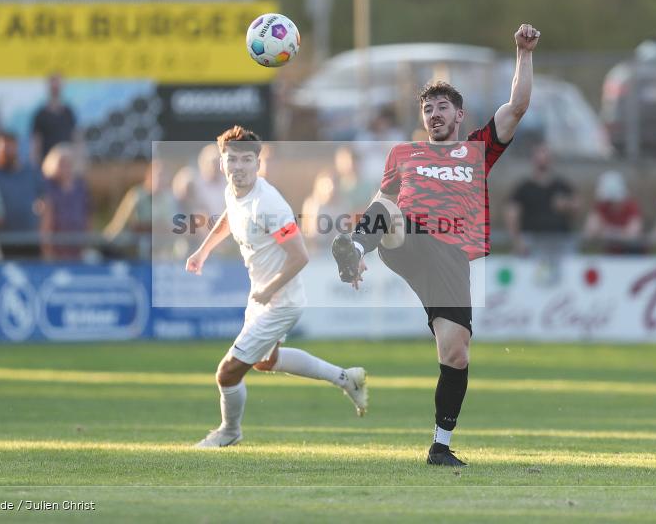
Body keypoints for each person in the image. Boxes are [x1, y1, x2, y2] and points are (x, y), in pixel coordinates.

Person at [331, 24, 540, 467]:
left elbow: (518, 106)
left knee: (456, 353)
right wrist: (359, 245)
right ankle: (352, 249)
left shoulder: (477, 151)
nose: (434, 115)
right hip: (407, 240)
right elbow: (382, 202)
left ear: (459, 115)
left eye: (442, 107)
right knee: (391, 213)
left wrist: (522, 53)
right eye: (428, 109)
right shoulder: (403, 154)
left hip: (451, 259)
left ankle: (440, 446)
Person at [185, 126, 368, 448]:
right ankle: (346, 378)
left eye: (246, 160)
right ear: (222, 163)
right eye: (232, 159)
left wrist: (270, 291)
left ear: (257, 164)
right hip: (265, 295)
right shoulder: (234, 191)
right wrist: (204, 250)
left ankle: (229, 432)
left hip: (281, 300)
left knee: (227, 373)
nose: (238, 166)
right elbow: (230, 215)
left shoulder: (268, 204)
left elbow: (300, 256)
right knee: (265, 361)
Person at [505, 142, 579, 257]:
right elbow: (511, 214)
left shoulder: (562, 186)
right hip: (532, 240)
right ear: (533, 160)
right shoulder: (524, 188)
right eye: (539, 157)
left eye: (546, 157)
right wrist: (517, 241)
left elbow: (577, 206)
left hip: (560, 241)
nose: (543, 160)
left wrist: (566, 205)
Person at [104, 160, 179, 258]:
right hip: (131, 250)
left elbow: (172, 227)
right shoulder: (136, 196)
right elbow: (120, 226)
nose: (161, 180)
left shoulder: (168, 198)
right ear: (149, 177)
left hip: (159, 251)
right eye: (158, 175)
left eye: (164, 176)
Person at [0, 132, 45, 258]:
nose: (6, 152)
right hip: (1, 243)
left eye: (10, 147)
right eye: (2, 150)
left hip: (30, 240)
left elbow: (45, 198)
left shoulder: (31, 172)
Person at [40, 143, 91, 260]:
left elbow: (88, 217)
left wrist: (87, 244)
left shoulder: (81, 187)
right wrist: (47, 252)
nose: (66, 168)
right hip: (56, 251)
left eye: (68, 163)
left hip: (78, 249)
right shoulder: (48, 188)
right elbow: (46, 224)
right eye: (61, 164)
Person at [582, 170, 643, 254]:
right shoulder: (601, 206)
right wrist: (619, 233)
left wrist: (606, 231)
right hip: (607, 252)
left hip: (629, 253)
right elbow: (589, 232)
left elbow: (632, 235)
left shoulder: (631, 207)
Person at [31, 73, 78, 166]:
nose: (56, 88)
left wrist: (77, 160)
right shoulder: (40, 114)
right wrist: (36, 163)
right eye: (53, 85)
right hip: (46, 165)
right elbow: (36, 142)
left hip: (66, 165)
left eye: (58, 85)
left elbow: (75, 138)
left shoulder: (68, 113)